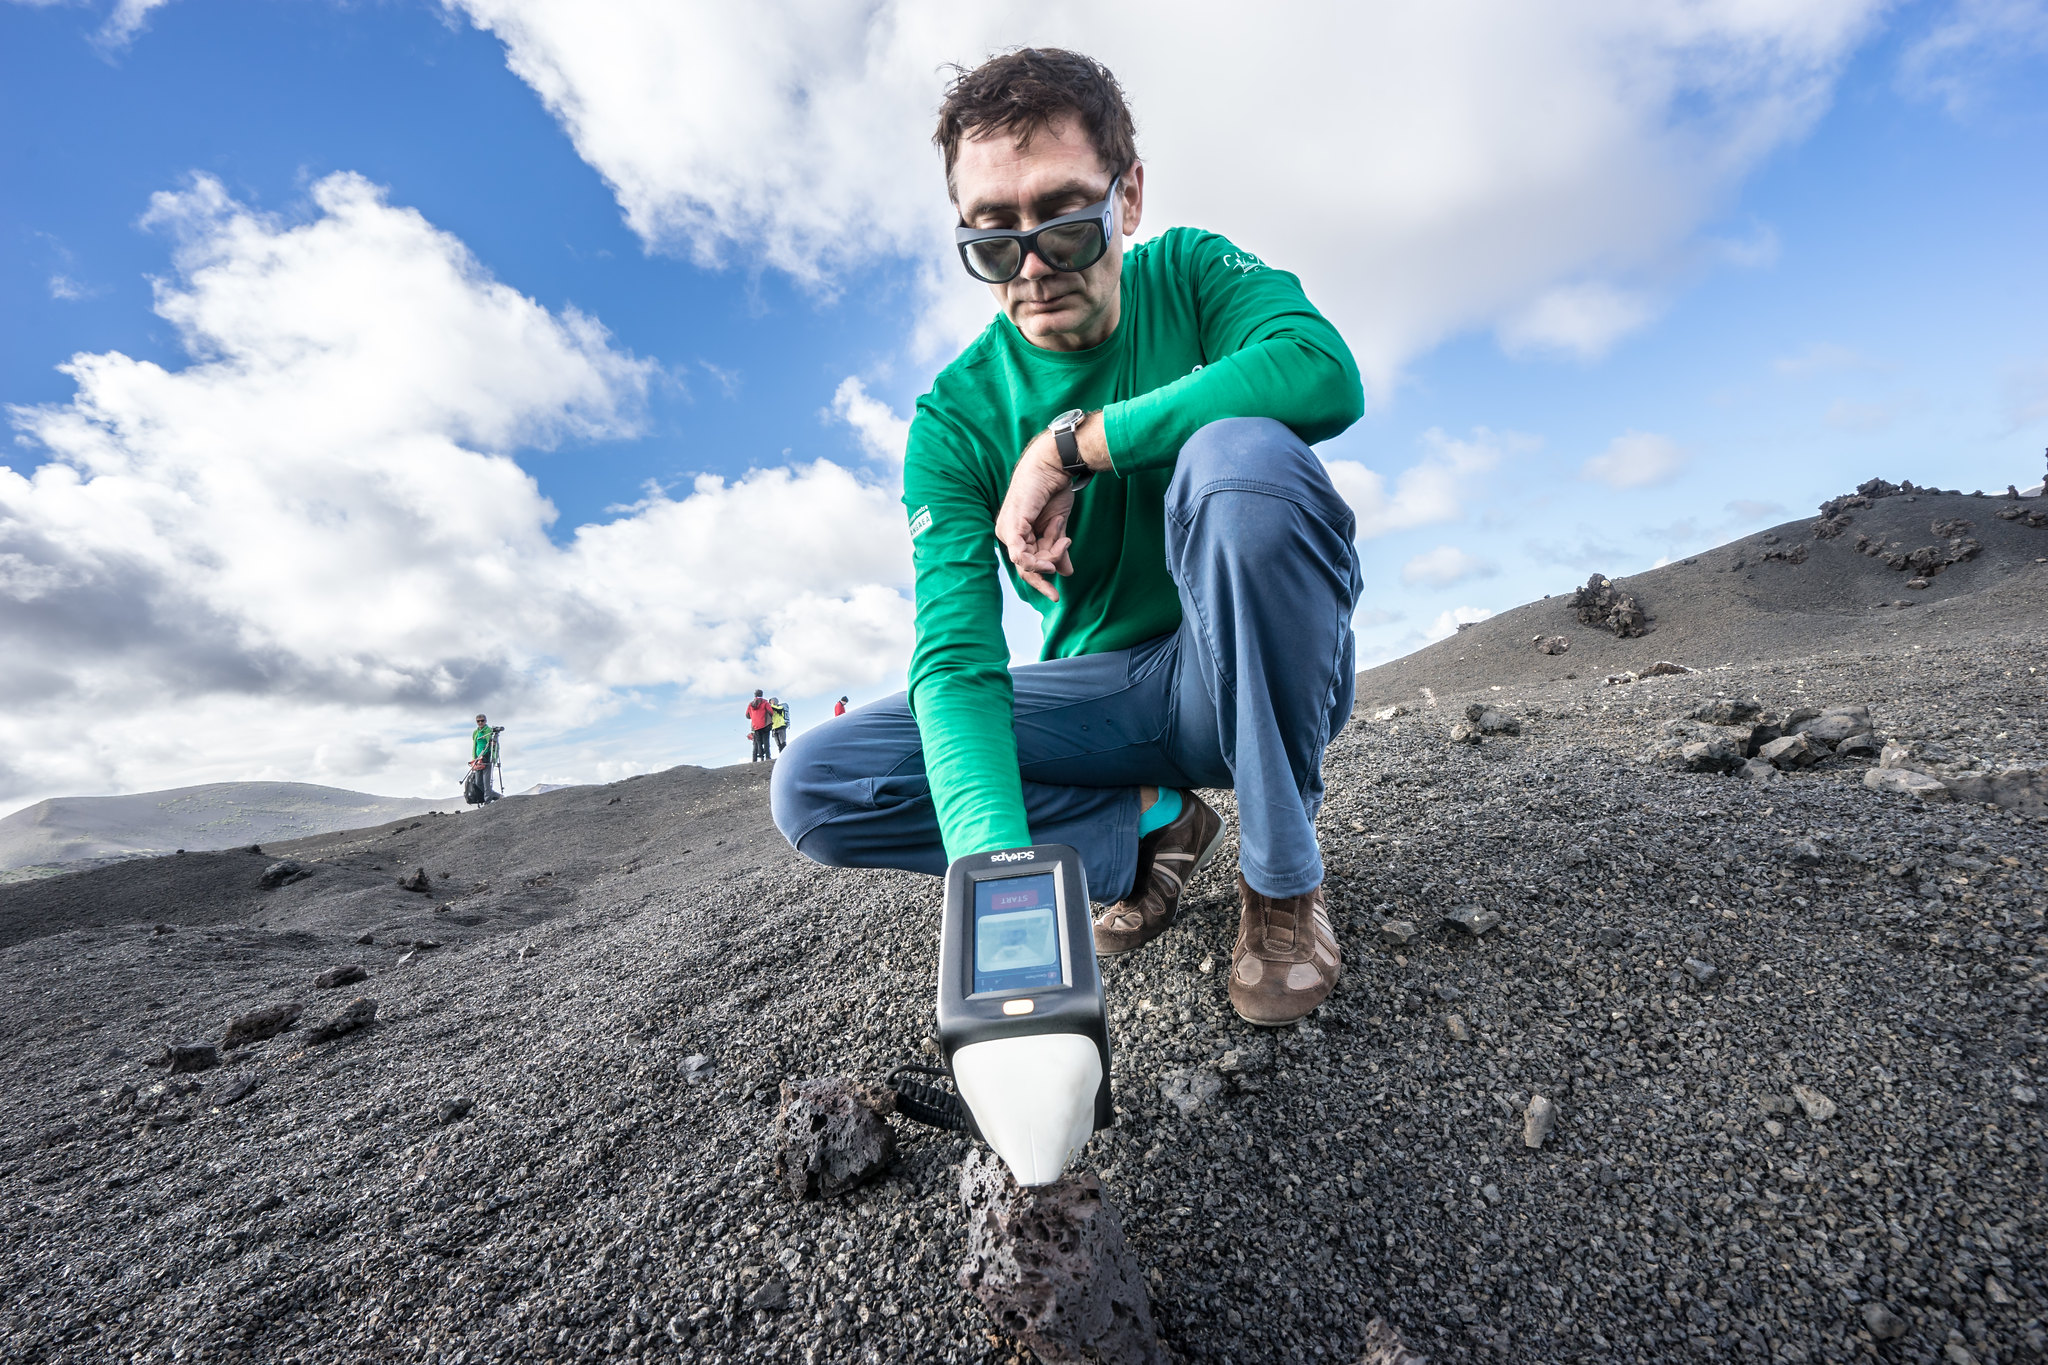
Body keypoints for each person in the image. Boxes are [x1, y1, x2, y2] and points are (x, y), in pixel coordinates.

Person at [773, 49, 1364, 1027]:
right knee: (821, 782)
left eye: (1064, 222)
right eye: (994, 240)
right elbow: (957, 665)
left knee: (1240, 458)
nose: (1034, 269)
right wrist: (999, 887)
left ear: (1127, 196)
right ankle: (1145, 827)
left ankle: (1280, 876)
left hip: (1253, 674)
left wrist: (1074, 447)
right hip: (1107, 706)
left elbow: (1320, 372)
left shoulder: (1191, 275)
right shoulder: (953, 420)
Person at [467, 713, 501, 803]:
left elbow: (494, 745)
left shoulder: (489, 731)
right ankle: (496, 795)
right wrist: (474, 758)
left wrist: (493, 756)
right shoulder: (475, 732)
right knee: (478, 782)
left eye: (482, 720)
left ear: (485, 721)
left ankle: (487, 801)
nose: (480, 722)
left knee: (486, 782)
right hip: (478, 760)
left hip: (487, 758)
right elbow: (475, 745)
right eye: (478, 721)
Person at [745, 690, 773, 763]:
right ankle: (768, 757)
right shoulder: (765, 702)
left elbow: (747, 715)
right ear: (762, 694)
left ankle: (761, 758)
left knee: (759, 742)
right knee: (766, 741)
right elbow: (771, 712)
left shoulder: (750, 704)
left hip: (756, 726)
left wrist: (754, 716)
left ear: (755, 695)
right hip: (765, 724)